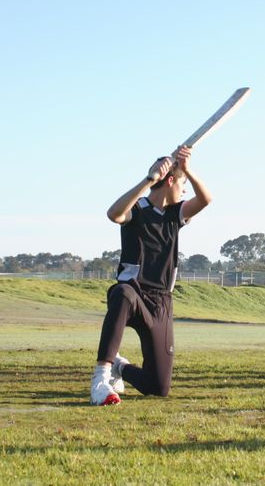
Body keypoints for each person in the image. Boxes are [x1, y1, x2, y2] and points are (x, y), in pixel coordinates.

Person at [89, 146, 211, 406]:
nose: (185, 190)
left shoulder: (175, 215)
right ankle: (100, 377)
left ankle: (120, 368)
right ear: (168, 181)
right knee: (121, 292)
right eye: (182, 183)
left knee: (159, 387)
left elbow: (206, 200)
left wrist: (187, 170)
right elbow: (114, 214)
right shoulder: (137, 208)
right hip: (133, 292)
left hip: (161, 303)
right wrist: (148, 180)